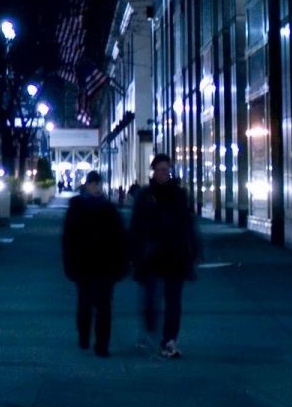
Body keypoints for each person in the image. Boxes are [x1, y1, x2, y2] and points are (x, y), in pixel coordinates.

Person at [129, 153, 201, 358]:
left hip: (174, 254)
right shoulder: (145, 195)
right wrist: (134, 252)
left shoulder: (178, 195)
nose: (164, 173)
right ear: (154, 171)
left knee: (173, 301)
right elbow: (136, 226)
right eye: (160, 170)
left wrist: (193, 249)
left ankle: (169, 339)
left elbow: (188, 224)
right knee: (151, 298)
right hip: (152, 255)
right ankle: (151, 327)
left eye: (166, 170)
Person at [61, 170, 127, 358]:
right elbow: (69, 239)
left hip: (105, 265)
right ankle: (84, 334)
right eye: (93, 184)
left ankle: (102, 344)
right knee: (86, 303)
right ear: (87, 185)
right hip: (84, 264)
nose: (96, 187)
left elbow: (120, 238)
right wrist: (69, 263)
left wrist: (121, 263)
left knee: (104, 306)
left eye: (98, 184)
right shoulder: (77, 207)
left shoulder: (109, 209)